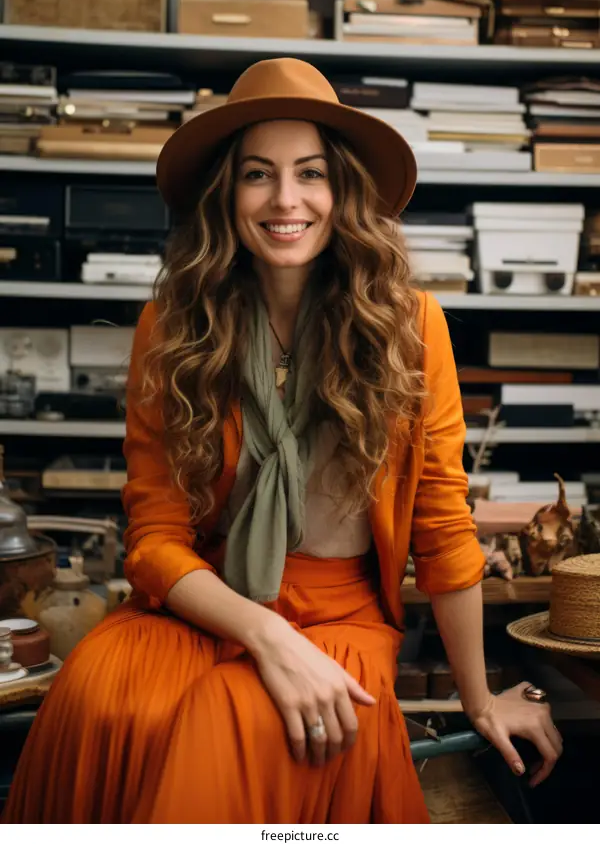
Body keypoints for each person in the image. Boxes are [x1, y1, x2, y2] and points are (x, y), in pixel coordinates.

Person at [2, 58, 562, 824]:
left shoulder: (410, 326)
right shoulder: (172, 326)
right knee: (100, 695)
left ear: (344, 191)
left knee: (238, 722)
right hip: (207, 603)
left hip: (342, 616)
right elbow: (155, 540)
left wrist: (479, 698)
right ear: (226, 196)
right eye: (258, 175)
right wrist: (264, 631)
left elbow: (442, 525)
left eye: (311, 173)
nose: (286, 199)